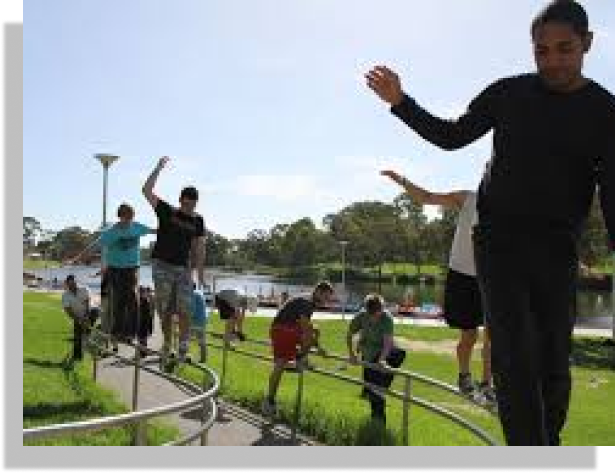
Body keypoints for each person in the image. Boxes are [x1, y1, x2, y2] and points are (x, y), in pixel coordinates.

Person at [366, 1, 614, 445]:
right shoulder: (509, 94)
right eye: (542, 51)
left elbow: (611, 194)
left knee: (555, 359)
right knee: (514, 355)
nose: (553, 61)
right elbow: (451, 136)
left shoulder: (605, 112)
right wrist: (401, 103)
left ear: (588, 44)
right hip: (499, 241)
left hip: (557, 247)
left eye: (565, 49)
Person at [381, 170, 495, 406]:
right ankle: (465, 376)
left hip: (491, 276)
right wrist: (402, 180)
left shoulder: (509, 207)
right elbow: (426, 198)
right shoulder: (467, 198)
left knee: (493, 338)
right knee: (469, 335)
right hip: (462, 276)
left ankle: (487, 384)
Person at [142, 156, 207, 368]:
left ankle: (183, 347)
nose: (189, 208)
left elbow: (199, 247)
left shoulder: (198, 221)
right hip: (162, 266)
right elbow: (146, 190)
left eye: (193, 204)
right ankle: (167, 344)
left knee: (185, 309)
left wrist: (200, 274)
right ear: (180, 201)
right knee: (166, 310)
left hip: (183, 269)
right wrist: (158, 167)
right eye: (186, 204)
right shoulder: (167, 211)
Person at [262, 281, 334, 416]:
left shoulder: (306, 299)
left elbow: (305, 326)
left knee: (280, 365)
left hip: (279, 329)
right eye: (326, 297)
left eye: (329, 298)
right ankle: (301, 360)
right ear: (318, 292)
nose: (327, 301)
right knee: (280, 365)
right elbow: (306, 328)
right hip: (283, 330)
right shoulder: (307, 303)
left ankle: (270, 400)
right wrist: (318, 347)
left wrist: (314, 342)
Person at [98, 204, 156, 343]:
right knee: (119, 300)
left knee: (132, 297)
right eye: (126, 218)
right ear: (120, 217)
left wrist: (172, 228)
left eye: (131, 218)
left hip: (131, 268)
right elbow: (94, 246)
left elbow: (153, 231)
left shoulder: (136, 227)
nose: (129, 221)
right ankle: (117, 331)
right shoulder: (111, 232)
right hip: (115, 269)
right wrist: (78, 258)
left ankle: (131, 332)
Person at [347, 294, 399, 424]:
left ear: (382, 309)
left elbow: (387, 343)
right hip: (368, 353)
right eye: (373, 315)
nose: (375, 317)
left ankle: (379, 391)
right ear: (367, 311)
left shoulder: (387, 318)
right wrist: (352, 354)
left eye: (378, 314)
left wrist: (381, 360)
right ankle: (376, 418)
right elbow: (349, 334)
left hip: (381, 353)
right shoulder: (361, 316)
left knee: (399, 353)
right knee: (373, 392)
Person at [61, 275, 99, 360]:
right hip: (78, 316)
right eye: (70, 284)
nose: (72, 286)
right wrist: (78, 320)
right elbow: (68, 310)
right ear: (67, 284)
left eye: (74, 283)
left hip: (91, 312)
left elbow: (88, 304)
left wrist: (86, 318)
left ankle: (89, 337)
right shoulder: (65, 295)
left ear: (76, 282)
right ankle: (77, 356)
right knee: (77, 335)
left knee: (87, 330)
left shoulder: (84, 289)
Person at [191, 284, 208, 363]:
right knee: (201, 340)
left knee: (185, 337)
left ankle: (183, 355)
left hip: (196, 321)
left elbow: (192, 309)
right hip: (203, 320)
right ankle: (203, 358)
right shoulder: (199, 293)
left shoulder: (193, 294)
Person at [137, 286, 155, 353]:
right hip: (140, 324)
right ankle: (142, 351)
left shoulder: (146, 302)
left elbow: (149, 316)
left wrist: (150, 328)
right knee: (140, 339)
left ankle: (143, 351)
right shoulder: (139, 301)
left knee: (143, 339)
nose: (141, 294)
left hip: (144, 324)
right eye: (140, 292)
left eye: (142, 292)